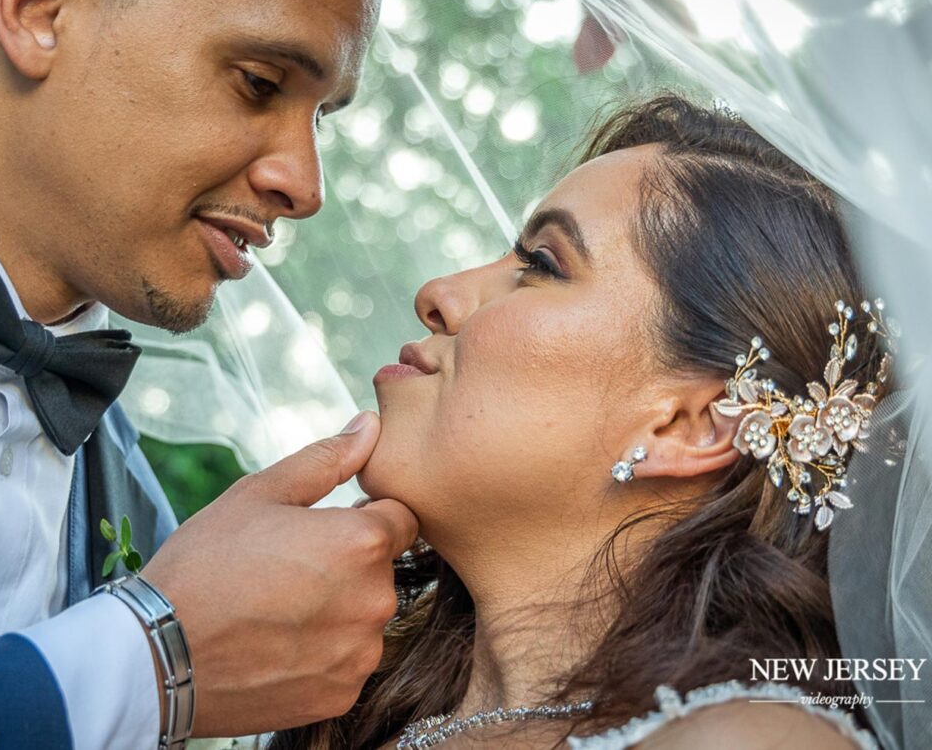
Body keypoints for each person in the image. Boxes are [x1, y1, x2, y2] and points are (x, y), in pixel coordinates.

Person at [0, 0, 419, 748]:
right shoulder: (175, 612)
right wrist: (144, 661)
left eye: (321, 117)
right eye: (260, 82)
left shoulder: (144, 517)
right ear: (38, 9)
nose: (305, 183)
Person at [269, 95, 886, 749]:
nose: (438, 293)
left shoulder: (748, 741)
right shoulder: (339, 707)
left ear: (686, 425)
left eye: (540, 264)